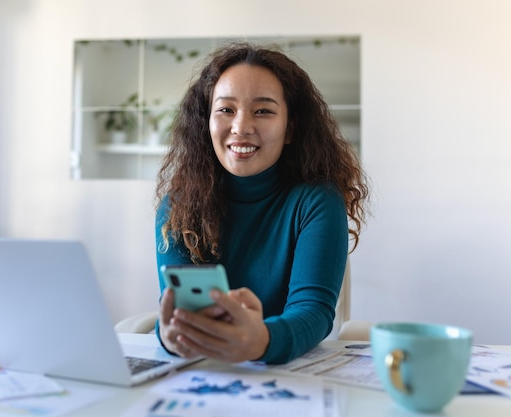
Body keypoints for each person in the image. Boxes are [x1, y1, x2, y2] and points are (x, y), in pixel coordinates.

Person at [154, 42, 369, 364]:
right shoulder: (178, 206)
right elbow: (175, 310)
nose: (241, 127)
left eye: (263, 111)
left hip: (285, 371)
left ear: (290, 129)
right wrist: (168, 334)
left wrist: (261, 340)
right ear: (205, 122)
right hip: (206, 372)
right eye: (226, 110)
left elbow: (314, 311)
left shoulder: (316, 200)